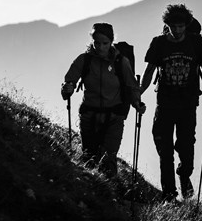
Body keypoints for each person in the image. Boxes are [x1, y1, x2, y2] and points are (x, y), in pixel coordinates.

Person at [140, 4, 202, 200]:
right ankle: (169, 193)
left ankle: (184, 175)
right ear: (167, 25)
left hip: (188, 104)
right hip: (165, 104)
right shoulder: (158, 43)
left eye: (180, 26)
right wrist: (138, 92)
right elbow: (149, 71)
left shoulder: (196, 42)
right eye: (173, 26)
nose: (176, 30)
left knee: (186, 146)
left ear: (186, 25)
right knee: (164, 150)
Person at [61, 23, 144, 178]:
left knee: (108, 157)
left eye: (105, 43)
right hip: (89, 116)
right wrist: (68, 88)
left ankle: (108, 193)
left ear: (111, 42)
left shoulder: (121, 62)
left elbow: (131, 86)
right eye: (97, 43)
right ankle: (96, 192)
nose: (100, 47)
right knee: (89, 156)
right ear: (92, 41)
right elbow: (69, 80)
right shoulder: (84, 60)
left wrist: (137, 103)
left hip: (113, 118)